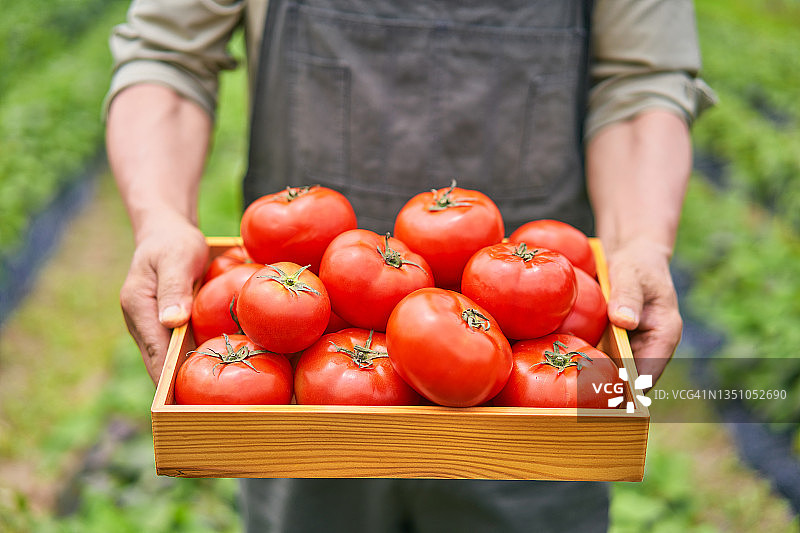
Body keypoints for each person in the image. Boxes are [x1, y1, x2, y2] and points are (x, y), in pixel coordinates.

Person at [105, 0, 715, 531]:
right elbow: (167, 52)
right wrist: (159, 216)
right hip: (299, 387)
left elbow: (643, 80)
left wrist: (639, 241)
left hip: (530, 375)